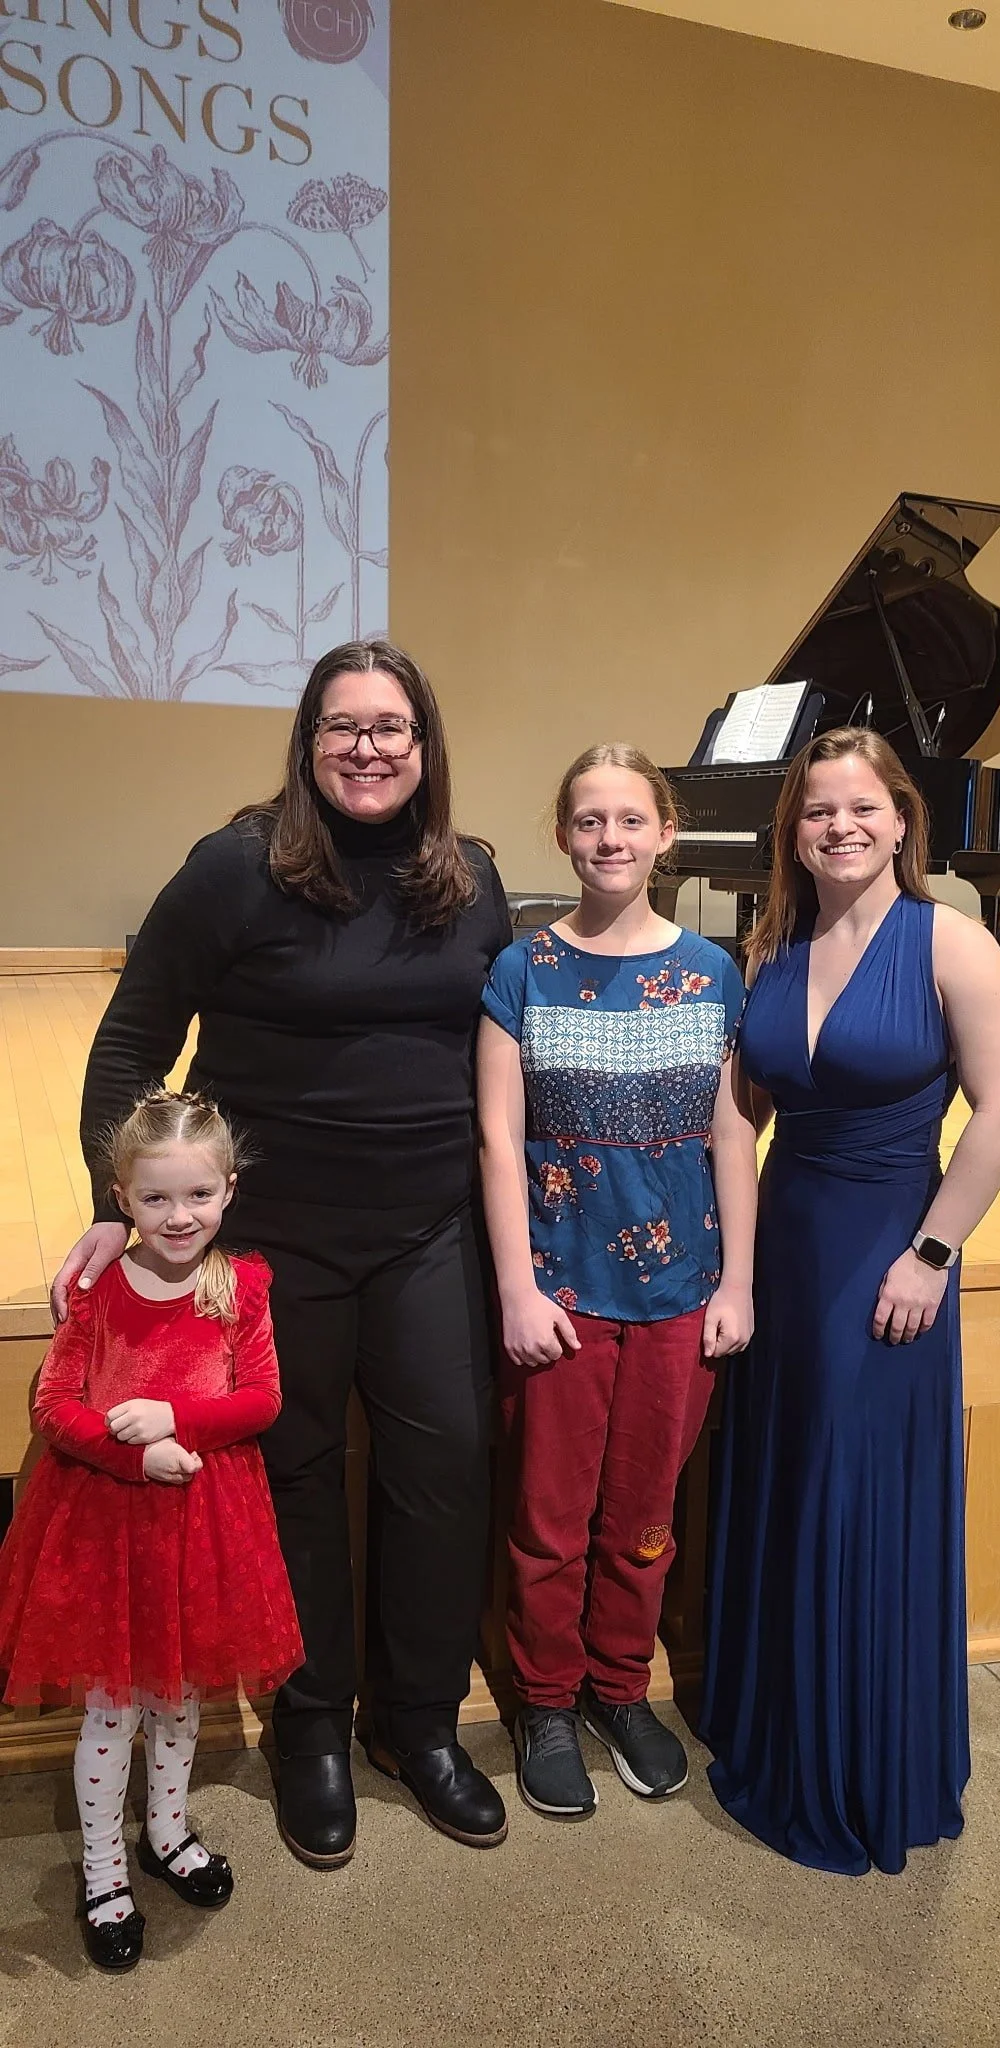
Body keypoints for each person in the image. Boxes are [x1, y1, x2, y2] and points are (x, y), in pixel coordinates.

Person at [50, 639, 512, 1866]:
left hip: (430, 1227)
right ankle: (309, 1727)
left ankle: (418, 1725)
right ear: (308, 742)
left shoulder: (467, 877)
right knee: (297, 1473)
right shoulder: (234, 869)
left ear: (427, 748)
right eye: (344, 726)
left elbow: (505, 1054)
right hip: (273, 1242)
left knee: (445, 1471)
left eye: (393, 728)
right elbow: (131, 1041)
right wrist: (123, 1196)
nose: (370, 747)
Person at [700, 726, 1000, 1875]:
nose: (837, 826)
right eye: (814, 812)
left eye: (859, 807)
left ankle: (850, 1758)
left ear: (901, 819)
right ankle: (772, 1724)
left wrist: (932, 1252)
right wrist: (737, 1270)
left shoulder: (953, 942)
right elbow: (740, 1114)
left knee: (847, 1486)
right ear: (792, 831)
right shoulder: (774, 945)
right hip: (784, 1246)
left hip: (889, 1251)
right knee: (788, 1474)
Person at [477, 744, 756, 1819]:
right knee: (549, 1519)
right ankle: (545, 1698)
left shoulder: (712, 972)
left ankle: (616, 1686)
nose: (610, 839)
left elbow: (734, 1135)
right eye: (589, 820)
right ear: (564, 834)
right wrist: (516, 1285)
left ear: (666, 833)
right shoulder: (523, 969)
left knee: (643, 1516)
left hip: (682, 1292)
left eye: (630, 820)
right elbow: (500, 1139)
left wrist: (739, 1280)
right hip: (562, 1286)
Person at [0, 1090, 302, 1972]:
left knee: (179, 1700)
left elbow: (263, 1397)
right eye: (157, 1198)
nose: (180, 1216)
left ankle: (166, 1833)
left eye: (198, 1196)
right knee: (112, 1707)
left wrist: (176, 1418)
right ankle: (102, 1872)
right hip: (106, 1528)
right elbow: (52, 1404)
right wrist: (136, 1458)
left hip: (207, 1524)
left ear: (229, 1190)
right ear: (121, 1197)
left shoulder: (241, 1284)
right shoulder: (97, 1292)